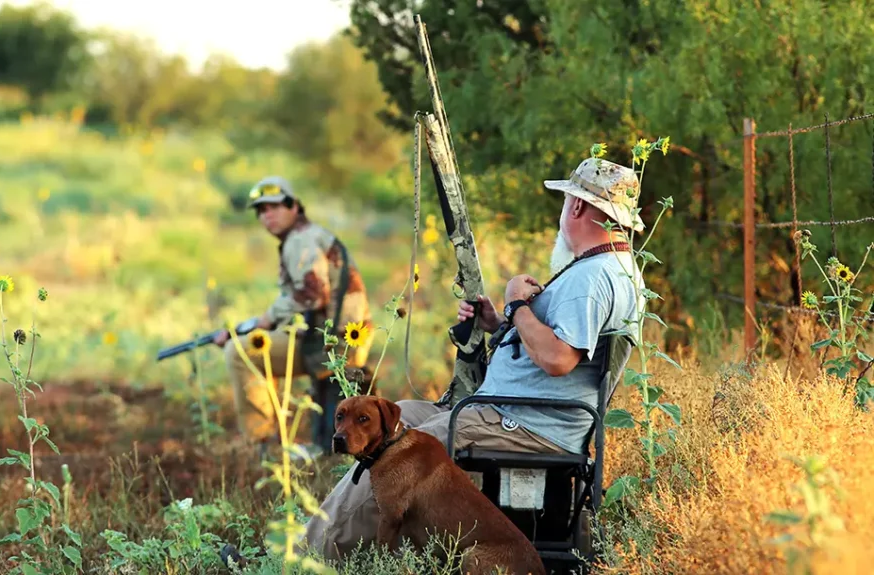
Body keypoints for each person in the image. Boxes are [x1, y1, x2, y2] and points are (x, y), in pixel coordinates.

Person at [298, 157, 647, 561]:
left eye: (565, 202)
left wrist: (517, 304)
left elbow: (558, 359)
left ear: (578, 207)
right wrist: (498, 323)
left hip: (524, 423)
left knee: (398, 451)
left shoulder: (592, 278)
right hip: (512, 412)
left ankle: (309, 558)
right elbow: (557, 349)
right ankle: (363, 549)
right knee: (399, 417)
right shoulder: (611, 268)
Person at [215, 176, 373, 448]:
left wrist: (265, 320)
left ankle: (261, 443)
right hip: (339, 338)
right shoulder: (307, 236)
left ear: (294, 207)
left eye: (275, 207)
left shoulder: (300, 240)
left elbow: (313, 293)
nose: (268, 216)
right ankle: (273, 438)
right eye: (261, 211)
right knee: (257, 347)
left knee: (241, 353)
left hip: (335, 343)